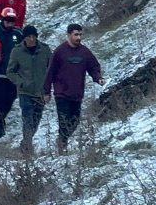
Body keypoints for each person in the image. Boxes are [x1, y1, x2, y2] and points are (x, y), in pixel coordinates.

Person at [42, 23, 104, 155]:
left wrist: (98, 77)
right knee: (64, 122)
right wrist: (46, 91)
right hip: (62, 93)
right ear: (69, 35)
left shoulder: (84, 52)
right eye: (76, 34)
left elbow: (93, 66)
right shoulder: (59, 52)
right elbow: (50, 72)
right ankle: (62, 147)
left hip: (77, 93)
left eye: (80, 34)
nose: (79, 37)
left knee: (75, 121)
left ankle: (62, 140)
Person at [7, 25, 51, 154]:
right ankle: (27, 147)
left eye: (33, 36)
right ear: (24, 38)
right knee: (27, 118)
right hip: (25, 92)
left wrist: (49, 86)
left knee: (36, 120)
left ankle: (25, 142)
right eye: (28, 37)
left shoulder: (45, 50)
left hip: (40, 91)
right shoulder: (17, 51)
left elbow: (52, 68)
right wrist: (20, 82)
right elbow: (10, 71)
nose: (31, 39)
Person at [0, 7, 23, 138]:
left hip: (13, 73)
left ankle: (2, 115)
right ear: (2, 19)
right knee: (0, 98)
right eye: (7, 20)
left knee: (11, 98)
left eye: (12, 20)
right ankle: (0, 123)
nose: (10, 23)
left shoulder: (18, 33)